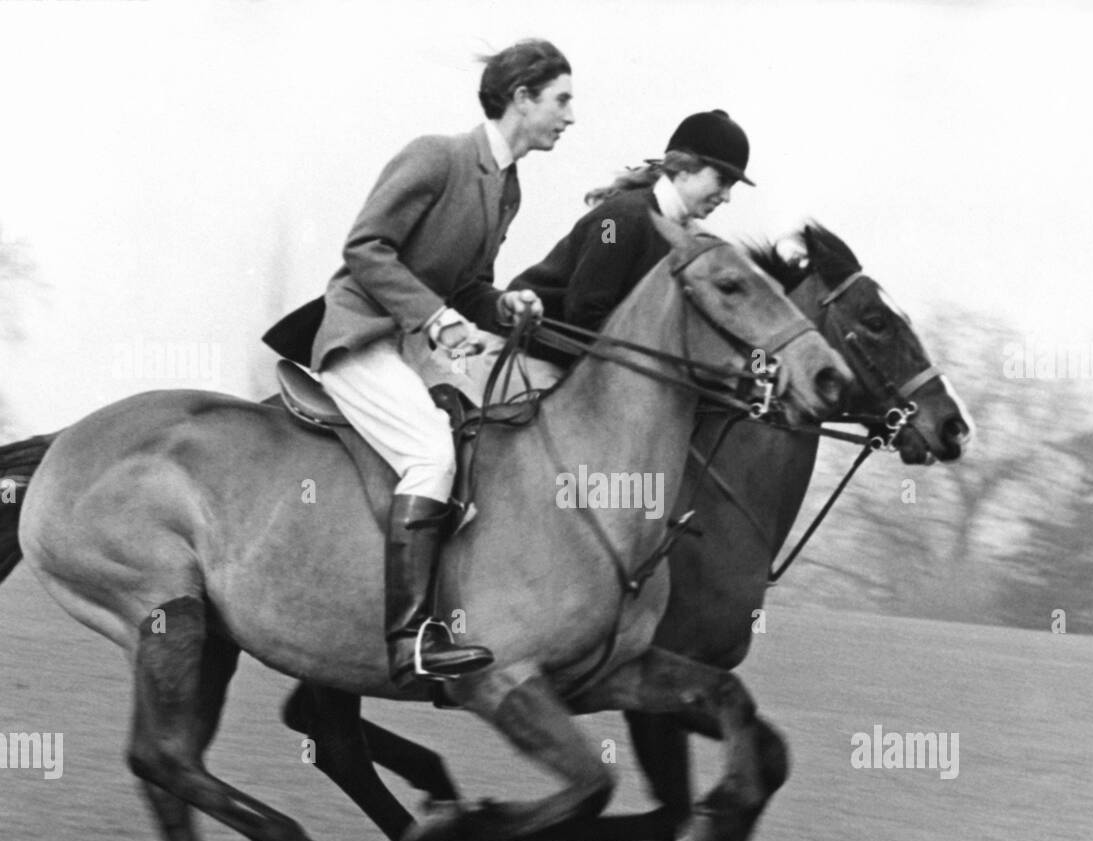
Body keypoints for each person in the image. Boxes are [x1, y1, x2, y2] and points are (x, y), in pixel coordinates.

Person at [294, 39, 572, 687]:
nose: (569, 116)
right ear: (522, 98)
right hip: (360, 338)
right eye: (561, 100)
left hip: (411, 345)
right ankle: (410, 640)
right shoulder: (436, 157)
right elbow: (366, 249)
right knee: (431, 456)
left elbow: (468, 285)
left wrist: (507, 307)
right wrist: (436, 318)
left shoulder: (507, 188)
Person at [509, 109, 753, 352]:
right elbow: (584, 311)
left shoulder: (689, 238)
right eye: (722, 181)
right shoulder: (615, 221)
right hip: (533, 346)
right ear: (684, 169)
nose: (727, 197)